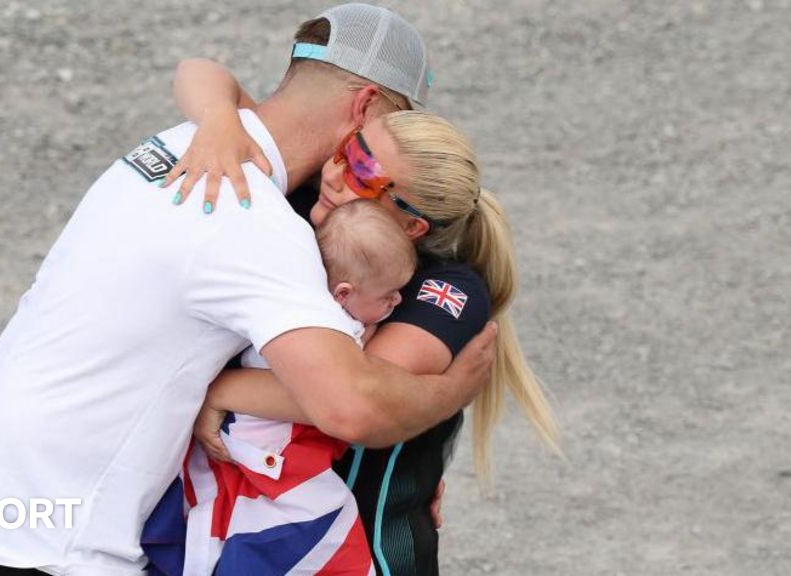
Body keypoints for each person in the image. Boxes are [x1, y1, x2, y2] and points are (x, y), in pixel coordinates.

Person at [0, 4, 497, 575]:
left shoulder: (183, 143)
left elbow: (203, 74)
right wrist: (452, 392)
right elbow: (354, 408)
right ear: (364, 107)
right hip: (60, 544)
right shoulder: (258, 222)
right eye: (376, 139)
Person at [164, 62, 562, 574]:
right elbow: (200, 71)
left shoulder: (446, 292)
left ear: (413, 225)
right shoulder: (318, 207)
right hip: (250, 533)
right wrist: (219, 121)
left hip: (370, 545)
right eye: (348, 149)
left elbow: (344, 396)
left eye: (364, 175)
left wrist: (205, 391)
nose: (333, 172)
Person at [178, 200, 416, 576]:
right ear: (342, 295)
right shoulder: (329, 328)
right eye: (388, 295)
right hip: (273, 453)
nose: (398, 301)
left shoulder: (292, 304)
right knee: (322, 525)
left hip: (253, 447)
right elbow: (346, 384)